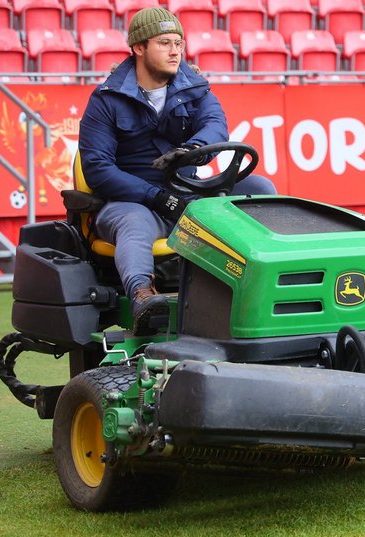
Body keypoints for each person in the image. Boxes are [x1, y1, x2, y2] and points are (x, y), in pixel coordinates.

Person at [78, 6, 275, 335]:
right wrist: (155, 197)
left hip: (188, 194)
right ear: (139, 48)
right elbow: (97, 169)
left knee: (260, 189)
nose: (175, 52)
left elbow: (215, 125)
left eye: (178, 43)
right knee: (134, 222)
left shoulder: (195, 88)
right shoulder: (106, 99)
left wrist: (192, 150)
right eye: (164, 43)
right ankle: (143, 297)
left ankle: (265, 286)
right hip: (133, 201)